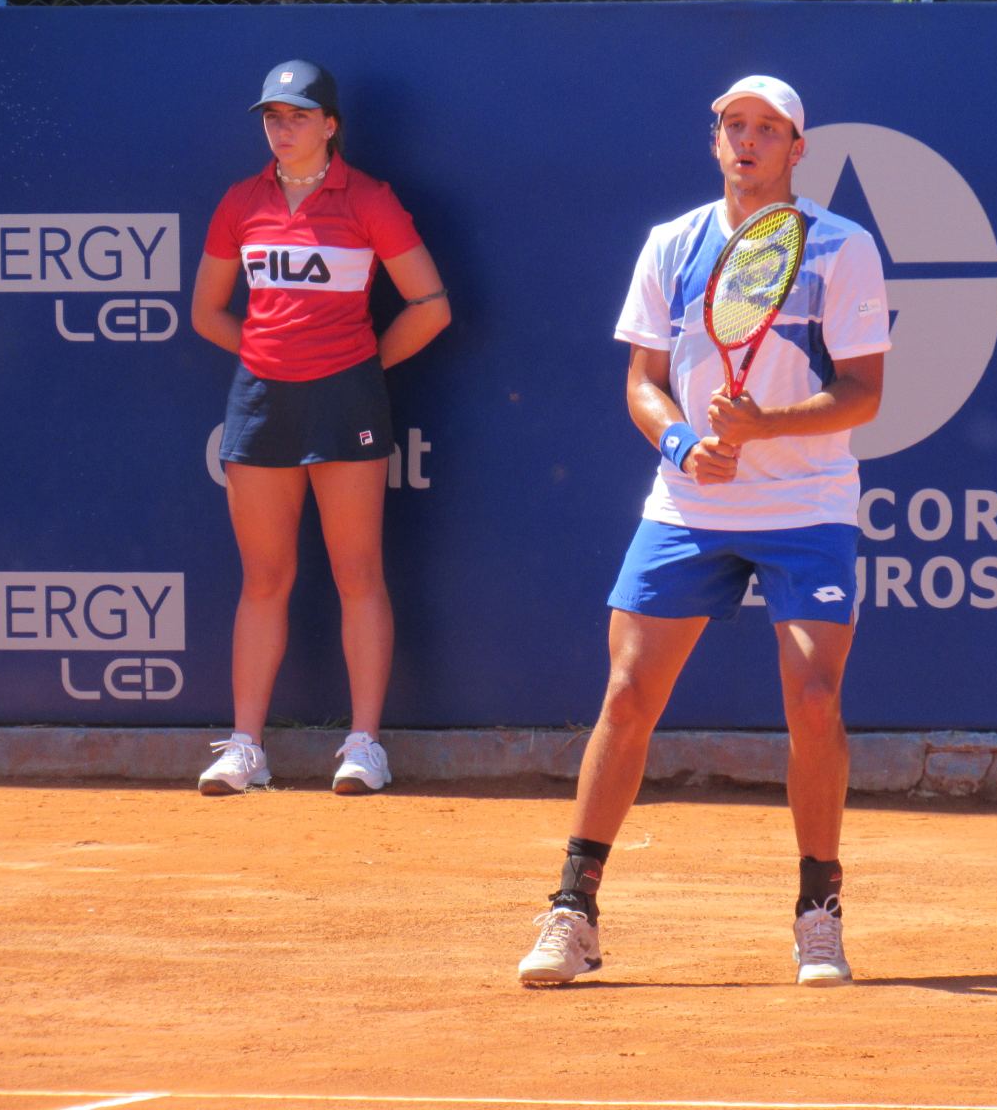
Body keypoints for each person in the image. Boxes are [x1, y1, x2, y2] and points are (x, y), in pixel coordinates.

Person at [516, 75, 891, 987]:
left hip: (806, 504)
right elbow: (643, 383)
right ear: (714, 140)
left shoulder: (843, 249)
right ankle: (573, 909)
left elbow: (864, 393)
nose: (749, 141)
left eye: (769, 129)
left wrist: (767, 425)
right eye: (735, 126)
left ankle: (818, 910)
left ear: (799, 149)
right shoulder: (671, 245)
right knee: (630, 693)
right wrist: (685, 443)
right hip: (689, 503)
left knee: (812, 699)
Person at [190, 59, 451, 796]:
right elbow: (206, 311)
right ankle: (246, 748)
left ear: (330, 125)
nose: (283, 129)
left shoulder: (369, 199)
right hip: (262, 403)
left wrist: (359, 363)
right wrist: (271, 356)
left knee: (357, 572)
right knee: (265, 578)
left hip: (347, 403)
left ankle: (364, 744)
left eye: (298, 116)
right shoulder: (241, 202)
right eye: (273, 117)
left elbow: (430, 304)